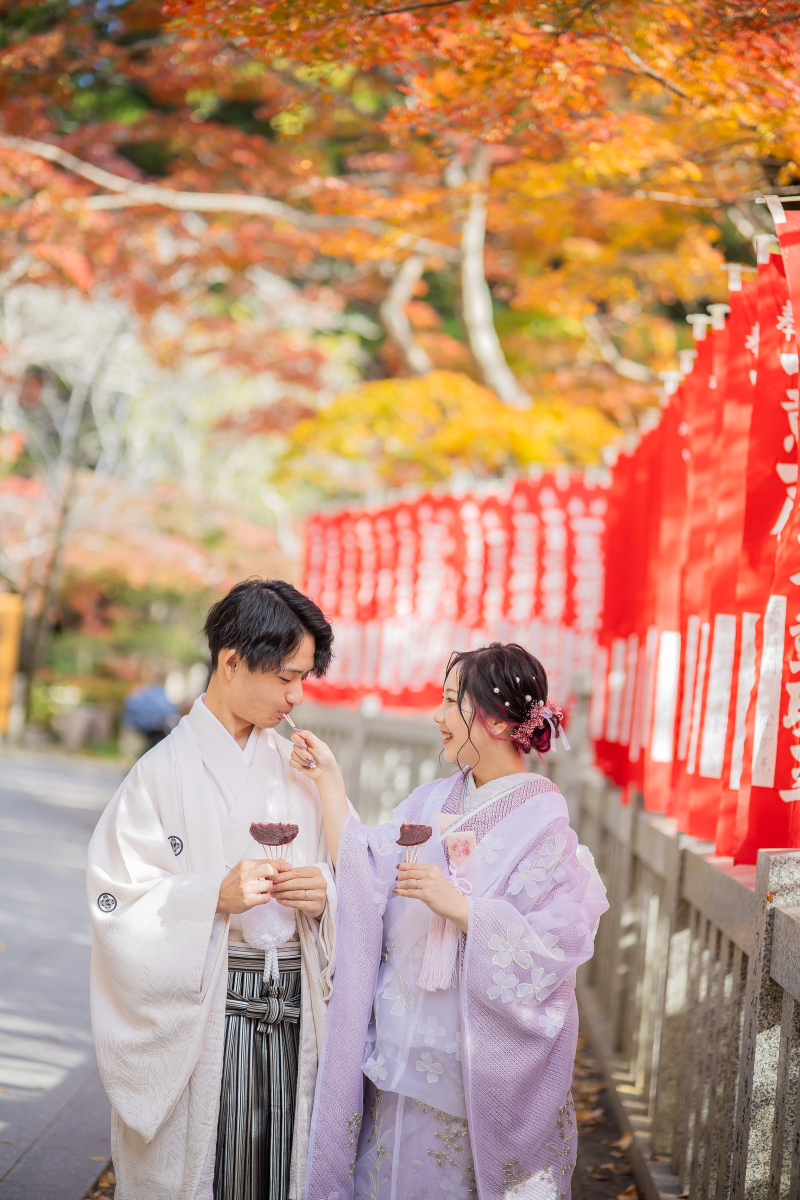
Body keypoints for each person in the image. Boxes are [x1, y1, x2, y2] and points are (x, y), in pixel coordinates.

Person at [292, 642, 608, 1200]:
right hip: (397, 1050)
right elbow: (367, 872)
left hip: (465, 1070)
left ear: (489, 717)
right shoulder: (430, 802)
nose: (437, 717)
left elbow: (556, 945)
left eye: (448, 702)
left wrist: (467, 911)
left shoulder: (544, 824)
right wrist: (330, 785)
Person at [87, 579, 337, 1200]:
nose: (296, 696)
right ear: (230, 661)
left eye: (304, 679)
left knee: (277, 1171)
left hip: (289, 1009)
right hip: (203, 1019)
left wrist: (324, 892)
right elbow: (115, 900)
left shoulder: (301, 768)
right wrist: (209, 897)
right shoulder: (158, 776)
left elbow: (351, 876)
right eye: (285, 677)